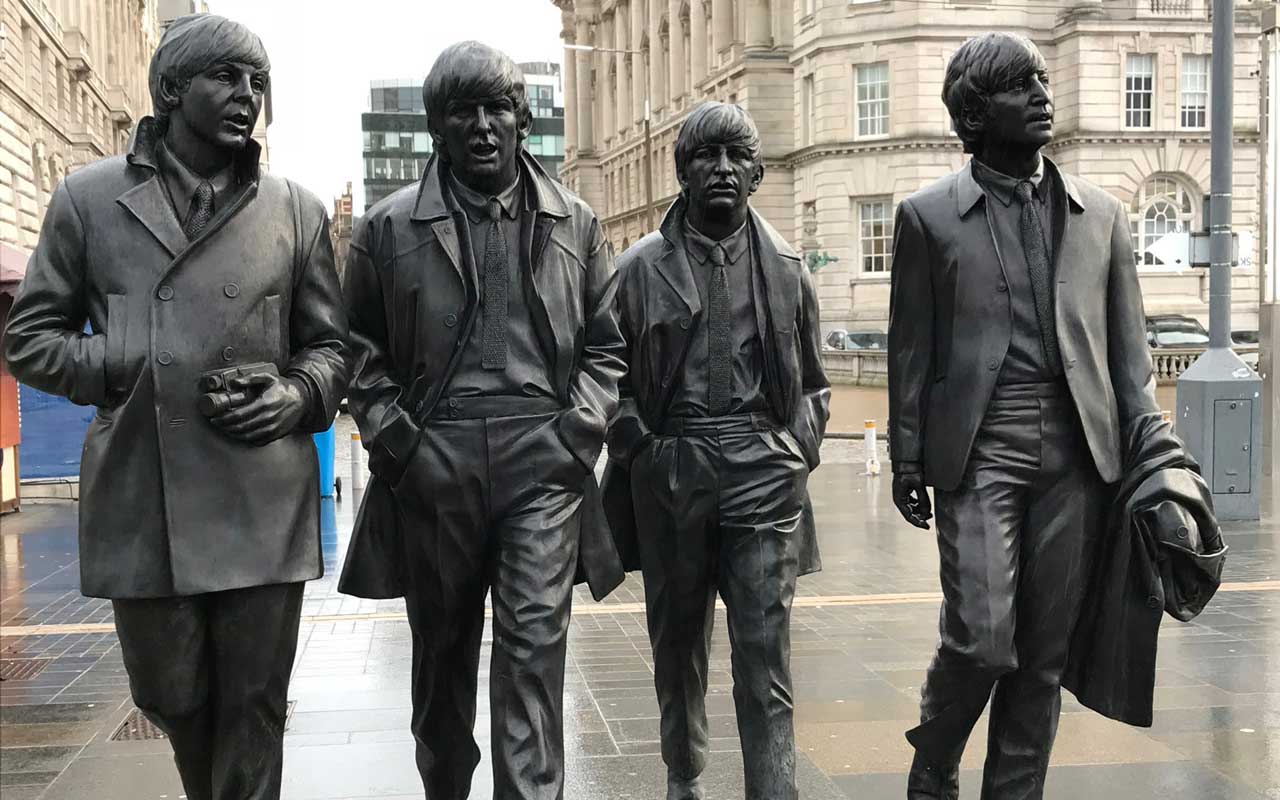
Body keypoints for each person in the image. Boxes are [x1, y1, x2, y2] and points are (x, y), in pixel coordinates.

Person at [2, 14, 347, 800]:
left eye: (258, 82)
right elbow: (29, 338)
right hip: (142, 491)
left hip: (261, 492)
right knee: (171, 693)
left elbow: (334, 348)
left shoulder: (295, 210)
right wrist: (122, 356)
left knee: (255, 705)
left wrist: (296, 394)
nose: (247, 96)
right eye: (226, 77)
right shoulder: (88, 199)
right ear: (169, 90)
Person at [339, 41, 625, 800]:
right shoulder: (386, 230)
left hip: (544, 458)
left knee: (534, 656)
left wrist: (579, 434)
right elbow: (355, 349)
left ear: (521, 118)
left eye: (497, 107)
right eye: (462, 111)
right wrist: (399, 443)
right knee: (442, 664)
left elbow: (607, 344)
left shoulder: (578, 223)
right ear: (436, 127)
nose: (482, 124)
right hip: (437, 458)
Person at [887, 32, 1166, 799]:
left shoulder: (1101, 216)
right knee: (981, 640)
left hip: (1079, 459)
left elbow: (1129, 363)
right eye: (1019, 86)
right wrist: (907, 460)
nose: (1042, 94)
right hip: (980, 452)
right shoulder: (927, 218)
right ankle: (935, 757)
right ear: (975, 116)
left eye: (1042, 80)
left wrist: (1158, 463)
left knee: (1043, 658)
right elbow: (911, 350)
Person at [601, 102, 830, 800]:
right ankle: (685, 773)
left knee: (766, 651)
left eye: (736, 156)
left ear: (758, 172)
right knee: (678, 643)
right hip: (675, 465)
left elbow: (815, 384)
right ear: (683, 172)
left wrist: (796, 449)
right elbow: (605, 376)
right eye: (706, 156)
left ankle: (773, 788)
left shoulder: (788, 266)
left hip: (764, 466)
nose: (722, 168)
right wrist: (641, 445)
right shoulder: (638, 269)